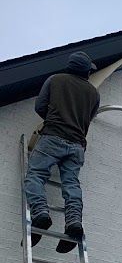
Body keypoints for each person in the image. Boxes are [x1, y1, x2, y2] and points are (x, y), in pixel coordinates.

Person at [24, 51, 100, 250]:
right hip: (77, 145)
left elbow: (40, 106)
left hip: (53, 137)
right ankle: (74, 222)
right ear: (86, 71)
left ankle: (40, 213)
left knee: (35, 175)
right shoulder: (94, 93)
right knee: (71, 184)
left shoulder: (55, 80)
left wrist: (54, 119)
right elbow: (88, 119)